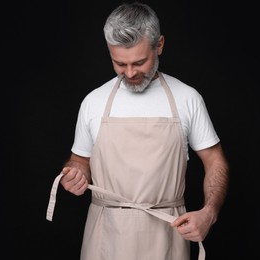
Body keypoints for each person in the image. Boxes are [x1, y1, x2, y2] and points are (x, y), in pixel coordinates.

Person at [46, 2, 229, 260]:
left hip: (168, 235)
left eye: (139, 62)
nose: (130, 73)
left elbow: (215, 160)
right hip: (105, 236)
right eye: (119, 63)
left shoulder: (187, 98)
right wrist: (75, 174)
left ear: (160, 45)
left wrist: (209, 213)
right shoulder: (93, 102)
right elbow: (79, 161)